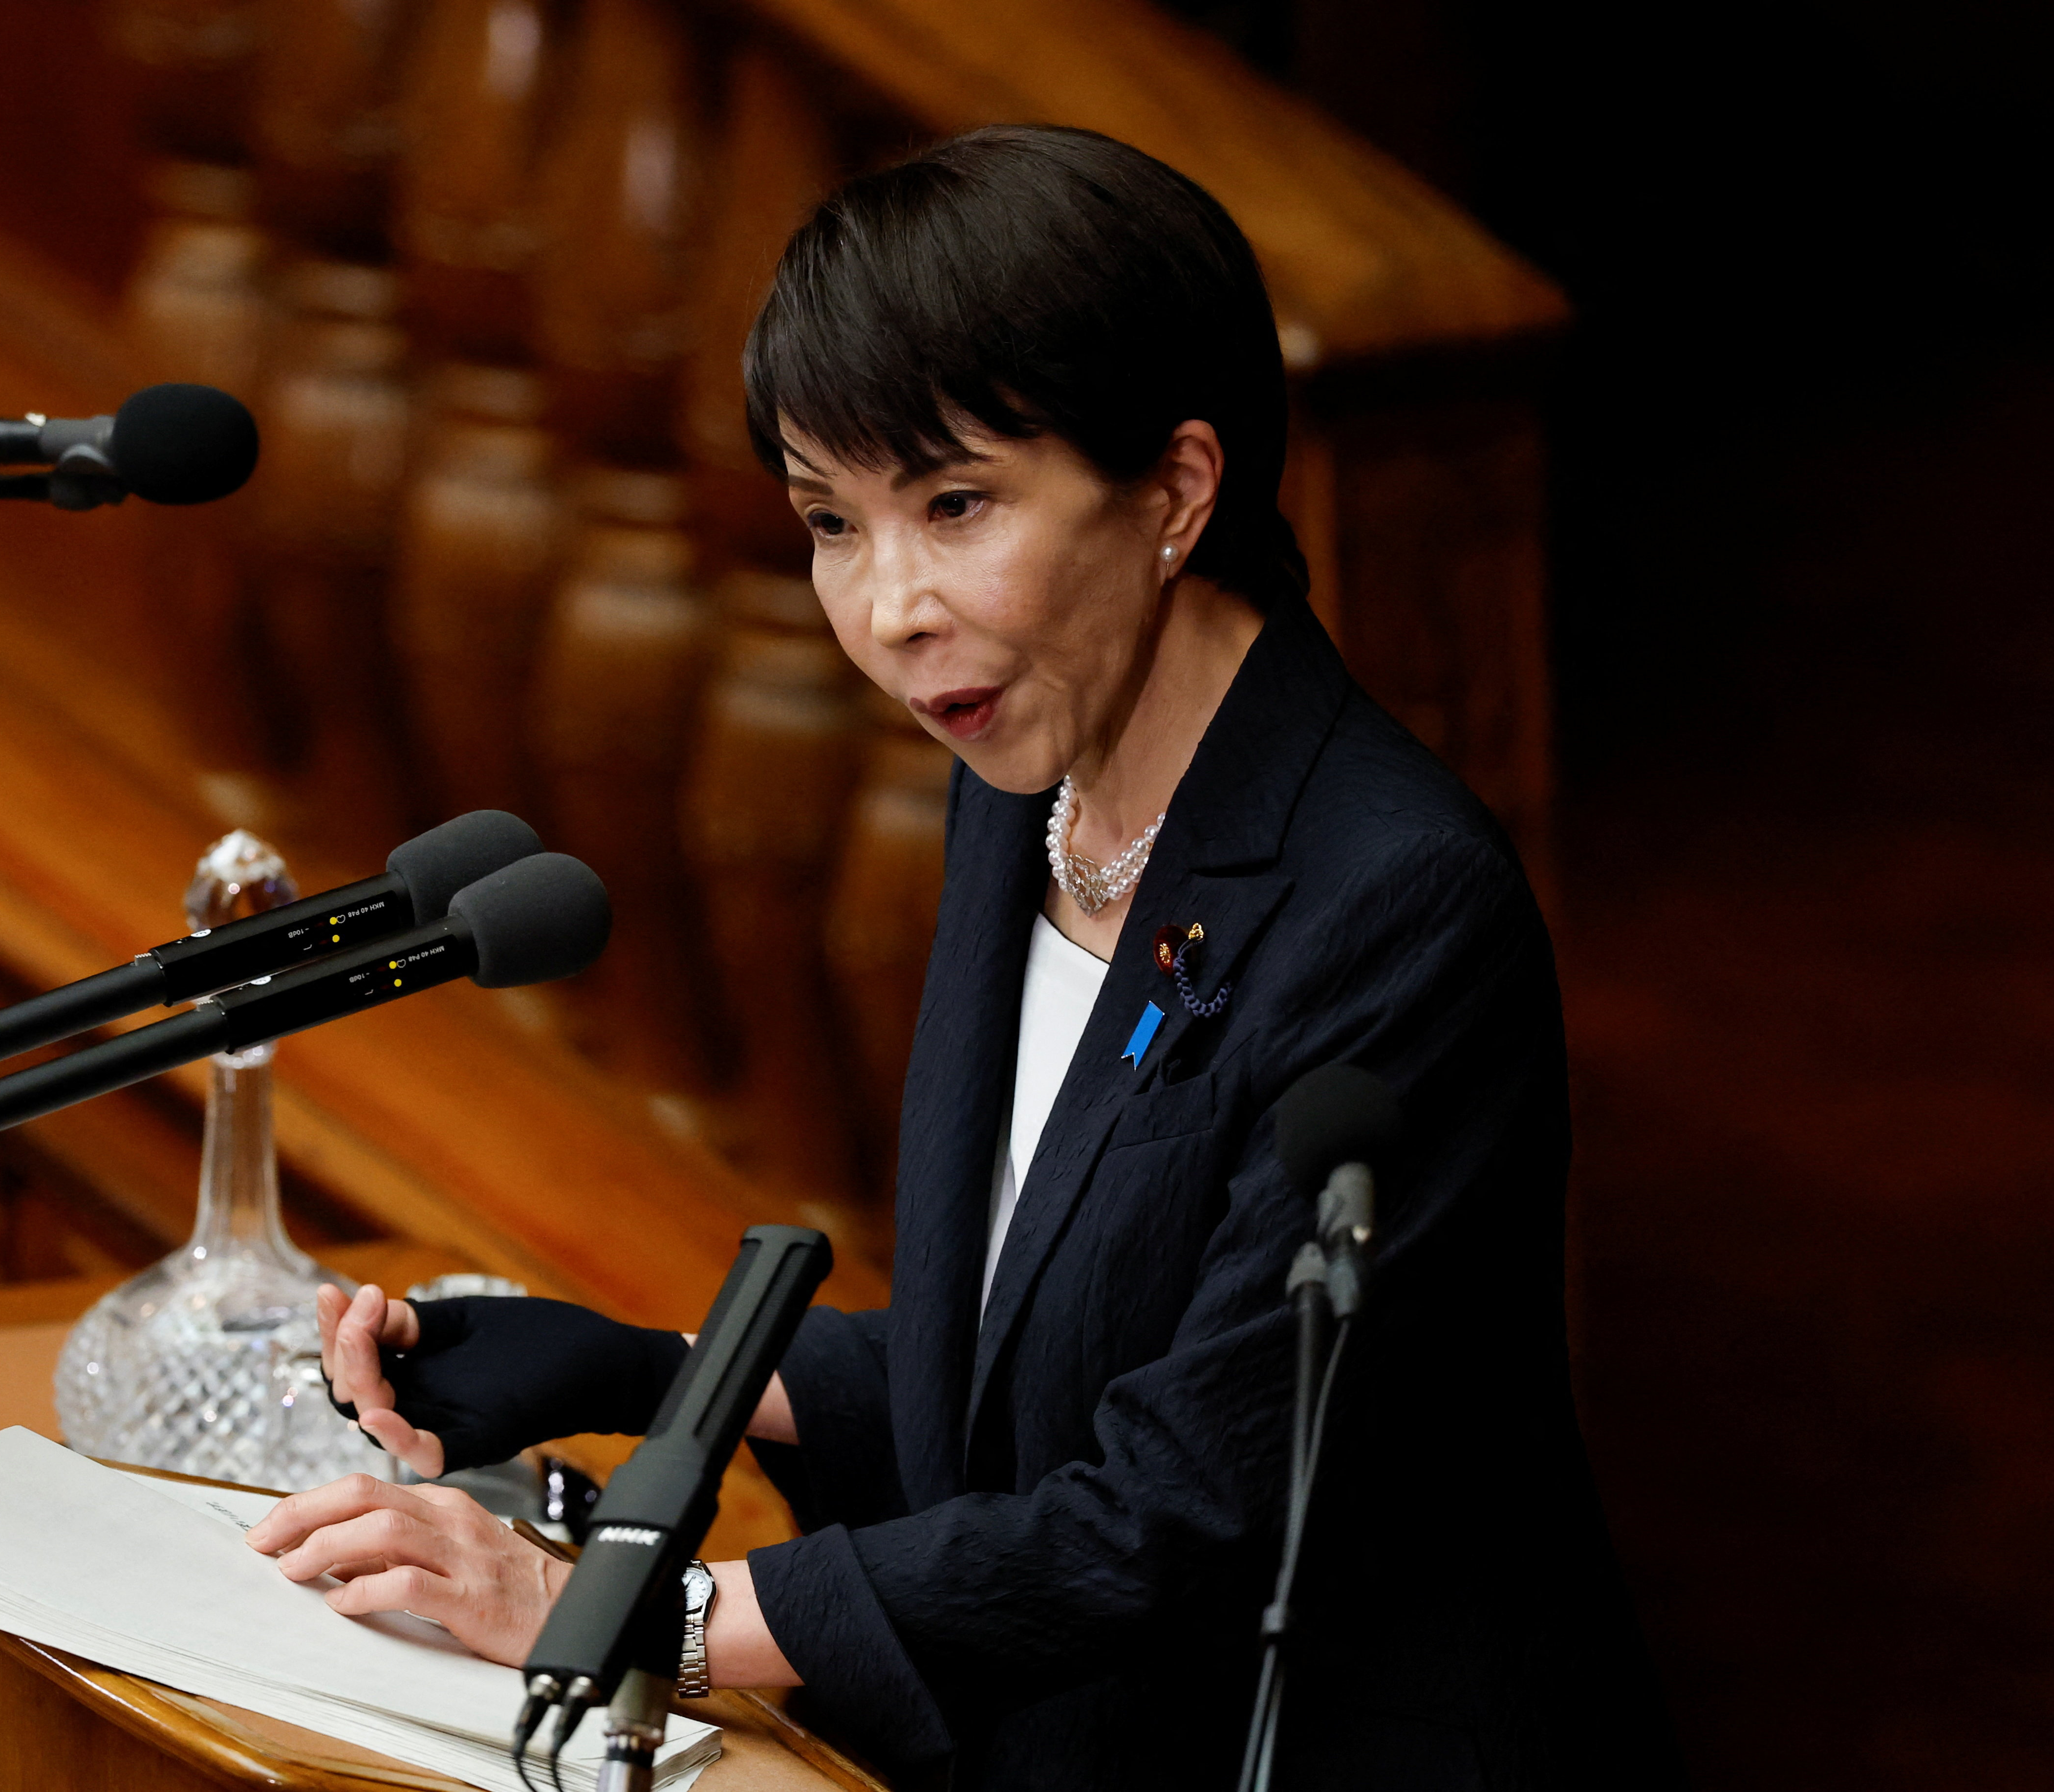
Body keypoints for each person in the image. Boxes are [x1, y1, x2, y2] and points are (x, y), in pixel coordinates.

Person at [245, 125, 1679, 1788]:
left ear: (1174, 493)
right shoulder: (1022, 792)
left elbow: (1188, 1496)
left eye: (955, 503)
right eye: (830, 520)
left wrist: (636, 1611)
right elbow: (1031, 1365)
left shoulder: (1396, 901)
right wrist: (649, 1368)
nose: (888, 607)